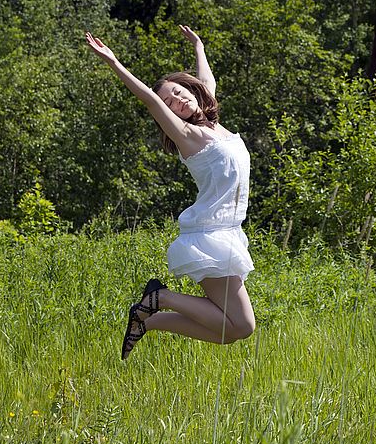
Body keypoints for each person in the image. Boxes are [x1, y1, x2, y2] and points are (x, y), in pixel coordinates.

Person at [86, 25, 255, 360]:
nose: (177, 101)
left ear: (190, 89)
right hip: (210, 236)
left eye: (179, 92)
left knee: (229, 332)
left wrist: (199, 46)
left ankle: (148, 320)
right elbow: (149, 99)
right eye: (170, 102)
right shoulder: (189, 136)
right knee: (242, 327)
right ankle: (159, 299)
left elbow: (208, 83)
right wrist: (115, 64)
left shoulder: (214, 125)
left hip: (229, 232)